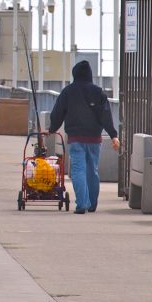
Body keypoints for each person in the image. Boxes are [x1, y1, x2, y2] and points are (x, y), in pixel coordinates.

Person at [48, 60, 120, 214]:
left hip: (76, 138)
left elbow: (58, 112)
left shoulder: (68, 91)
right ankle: (92, 204)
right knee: (92, 170)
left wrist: (52, 129)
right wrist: (113, 135)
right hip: (94, 139)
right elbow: (106, 115)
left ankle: (82, 204)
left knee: (78, 170)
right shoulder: (98, 92)